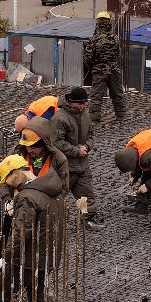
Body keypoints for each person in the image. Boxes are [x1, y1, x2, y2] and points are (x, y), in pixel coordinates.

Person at [0, 155, 68, 302]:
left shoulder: (28, 197)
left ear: (16, 175)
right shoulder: (50, 188)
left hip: (29, 258)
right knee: (37, 296)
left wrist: (6, 256)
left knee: (3, 290)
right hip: (46, 256)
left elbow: (20, 234)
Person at [52, 86, 102, 226]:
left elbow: (91, 134)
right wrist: (76, 151)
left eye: (84, 103)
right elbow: (56, 143)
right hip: (65, 166)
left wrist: (87, 146)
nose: (82, 106)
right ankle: (48, 220)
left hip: (82, 164)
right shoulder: (60, 118)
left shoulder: (85, 113)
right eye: (79, 104)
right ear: (71, 102)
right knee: (56, 194)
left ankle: (87, 218)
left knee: (85, 195)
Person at [83, 12, 127, 124]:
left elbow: (87, 57)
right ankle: (121, 116)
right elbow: (118, 54)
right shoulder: (115, 38)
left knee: (96, 97)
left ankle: (94, 120)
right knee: (117, 93)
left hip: (99, 71)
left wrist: (93, 67)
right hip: (113, 70)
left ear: (97, 23)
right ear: (109, 23)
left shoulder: (94, 39)